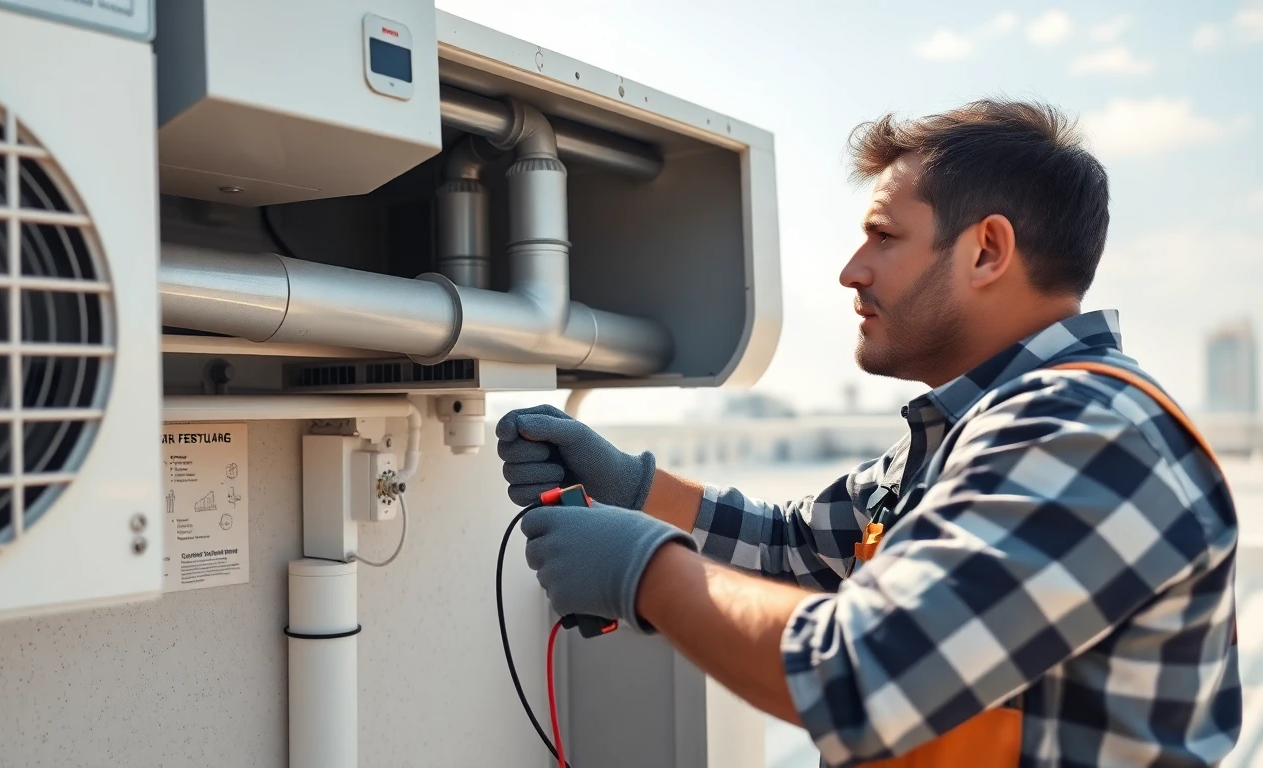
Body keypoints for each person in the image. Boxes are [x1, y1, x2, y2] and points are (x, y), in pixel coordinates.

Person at [497, 100, 1241, 766]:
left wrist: (644, 572)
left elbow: (868, 675)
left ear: (987, 251)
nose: (852, 272)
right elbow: (798, 550)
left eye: (883, 236)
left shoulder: (1083, 432)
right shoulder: (980, 424)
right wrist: (635, 488)